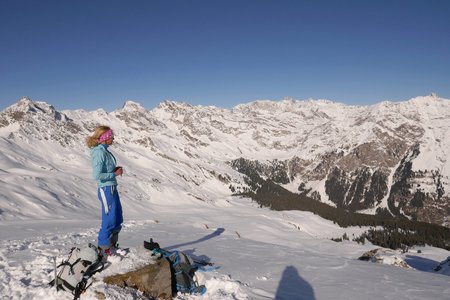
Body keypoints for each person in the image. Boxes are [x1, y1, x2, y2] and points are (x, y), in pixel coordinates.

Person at [86, 125, 124, 256]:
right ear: (105, 138)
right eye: (111, 136)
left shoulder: (105, 150)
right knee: (109, 218)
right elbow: (97, 176)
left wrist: (113, 171)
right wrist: (114, 174)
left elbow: (104, 171)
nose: (113, 138)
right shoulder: (99, 152)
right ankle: (104, 248)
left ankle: (111, 245)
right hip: (105, 189)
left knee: (117, 217)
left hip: (112, 187)